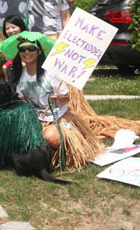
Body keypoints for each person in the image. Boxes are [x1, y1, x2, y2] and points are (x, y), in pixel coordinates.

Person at [7, 35, 101, 170]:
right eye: (23, 49)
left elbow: (66, 98)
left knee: (50, 137)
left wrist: (58, 99)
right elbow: (24, 99)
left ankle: (59, 155)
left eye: (31, 48)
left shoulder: (51, 73)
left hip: (57, 116)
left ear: (39, 51)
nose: (26, 52)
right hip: (35, 117)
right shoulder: (20, 74)